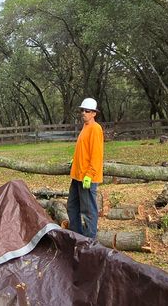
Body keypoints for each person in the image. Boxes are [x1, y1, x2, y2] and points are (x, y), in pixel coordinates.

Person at [67, 97, 104, 239]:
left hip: (86, 177)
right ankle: (77, 237)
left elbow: (96, 155)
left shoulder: (95, 128)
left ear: (94, 113)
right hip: (77, 175)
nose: (83, 113)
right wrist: (75, 161)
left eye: (87, 111)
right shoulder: (85, 127)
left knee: (89, 212)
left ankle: (89, 243)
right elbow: (84, 150)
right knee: (72, 207)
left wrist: (90, 174)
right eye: (82, 110)